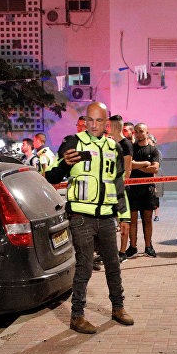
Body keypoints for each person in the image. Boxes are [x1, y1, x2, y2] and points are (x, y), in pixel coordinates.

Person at [45, 101, 133, 335]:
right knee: (84, 266)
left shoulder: (114, 148)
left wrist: (124, 216)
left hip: (107, 217)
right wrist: (64, 164)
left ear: (107, 123)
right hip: (81, 217)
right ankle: (77, 316)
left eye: (99, 120)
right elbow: (51, 176)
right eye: (90, 120)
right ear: (85, 121)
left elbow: (118, 184)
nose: (93, 125)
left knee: (113, 264)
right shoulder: (73, 142)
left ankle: (118, 308)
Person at [126, 122, 161, 258]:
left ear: (147, 132)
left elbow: (155, 168)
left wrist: (137, 166)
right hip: (133, 189)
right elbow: (128, 164)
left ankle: (148, 246)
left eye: (141, 131)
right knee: (132, 220)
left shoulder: (153, 150)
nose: (138, 134)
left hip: (148, 189)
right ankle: (133, 247)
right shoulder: (131, 148)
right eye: (136, 131)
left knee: (148, 220)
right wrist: (145, 164)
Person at [110, 116, 133, 262]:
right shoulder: (110, 143)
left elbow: (128, 168)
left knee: (124, 221)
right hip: (110, 189)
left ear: (114, 127)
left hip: (121, 189)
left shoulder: (126, 144)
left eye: (108, 126)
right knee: (110, 222)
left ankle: (122, 252)